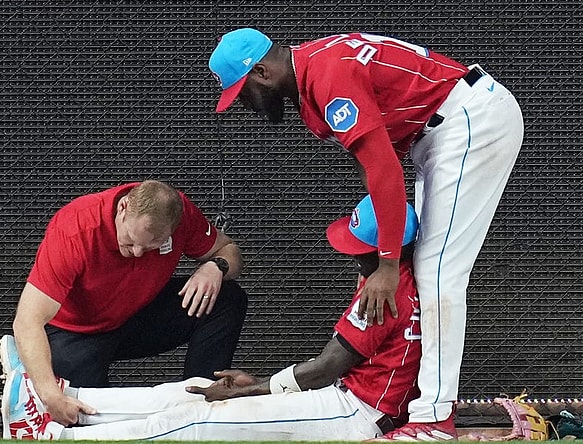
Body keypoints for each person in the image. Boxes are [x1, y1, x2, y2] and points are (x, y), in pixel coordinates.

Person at [208, 28, 524, 440]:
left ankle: (434, 419)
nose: (244, 103)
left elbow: (384, 170)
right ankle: (422, 405)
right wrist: (377, 258)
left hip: (466, 122)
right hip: (440, 130)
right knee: (427, 270)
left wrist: (388, 265)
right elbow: (373, 167)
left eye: (242, 90)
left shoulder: (327, 76)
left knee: (437, 274)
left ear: (263, 72)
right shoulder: (313, 73)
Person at [0, 196, 424, 441]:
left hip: (355, 413)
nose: (349, 252)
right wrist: (253, 388)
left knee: (200, 418)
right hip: (81, 330)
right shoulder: (395, 278)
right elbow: (27, 319)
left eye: (359, 247)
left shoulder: (384, 292)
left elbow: (329, 367)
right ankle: (51, 394)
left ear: (386, 251)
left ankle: (59, 435)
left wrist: (255, 389)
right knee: (194, 393)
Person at [4, 179, 248, 428]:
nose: (138, 252)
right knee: (85, 416)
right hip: (75, 333)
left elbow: (229, 249)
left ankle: (203, 407)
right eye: (130, 241)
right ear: (123, 208)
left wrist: (216, 266)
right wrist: (50, 395)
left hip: (134, 315)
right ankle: (31, 378)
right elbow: (27, 321)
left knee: (226, 298)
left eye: (152, 246)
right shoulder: (76, 228)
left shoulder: (182, 215)